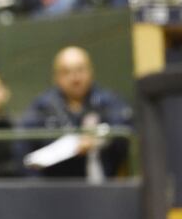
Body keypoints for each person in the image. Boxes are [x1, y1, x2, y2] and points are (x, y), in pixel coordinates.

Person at [18, 46, 133, 178]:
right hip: (56, 188)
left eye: (80, 70)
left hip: (104, 186)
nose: (75, 78)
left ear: (91, 71)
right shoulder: (42, 107)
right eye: (67, 72)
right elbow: (23, 151)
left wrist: (99, 139)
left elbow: (126, 130)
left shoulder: (108, 101)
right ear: (56, 77)